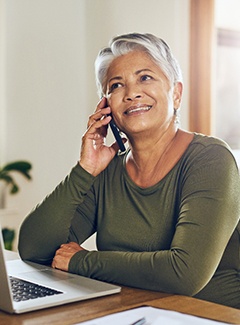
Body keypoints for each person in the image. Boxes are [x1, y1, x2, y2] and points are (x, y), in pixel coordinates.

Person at [18, 33, 240, 308]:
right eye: (116, 85)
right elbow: (34, 249)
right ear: (106, 106)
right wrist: (85, 170)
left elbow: (184, 272)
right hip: (131, 312)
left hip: (213, 317)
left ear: (176, 93)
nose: (132, 92)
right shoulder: (108, 171)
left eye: (145, 77)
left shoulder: (210, 159)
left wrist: (81, 261)